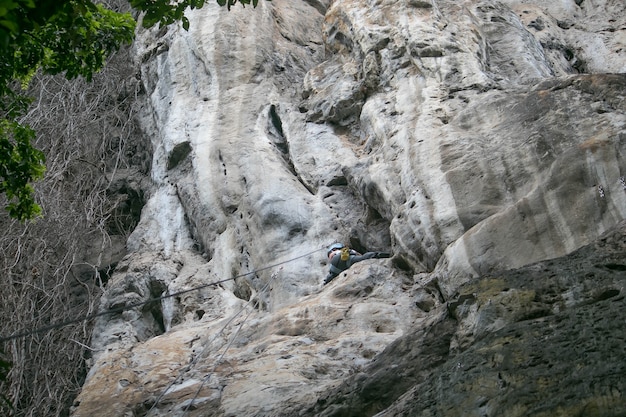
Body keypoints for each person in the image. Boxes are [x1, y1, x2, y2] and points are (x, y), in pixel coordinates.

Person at [324, 243, 391, 285]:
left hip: (337, 268)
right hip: (347, 259)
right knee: (363, 258)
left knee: (332, 275)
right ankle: (379, 255)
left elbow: (332, 273)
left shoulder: (333, 258)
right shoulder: (341, 251)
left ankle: (326, 282)